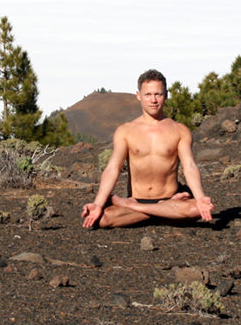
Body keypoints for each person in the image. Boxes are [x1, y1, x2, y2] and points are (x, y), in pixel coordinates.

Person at [81, 69, 214, 228]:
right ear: (139, 96)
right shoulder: (126, 131)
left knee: (197, 209)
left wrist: (200, 198)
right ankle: (161, 213)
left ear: (166, 95)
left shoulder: (180, 130)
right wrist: (97, 204)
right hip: (146, 200)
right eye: (148, 95)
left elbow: (190, 166)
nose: (153, 100)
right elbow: (112, 168)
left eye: (158, 94)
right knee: (101, 220)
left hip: (169, 198)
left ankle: (134, 209)